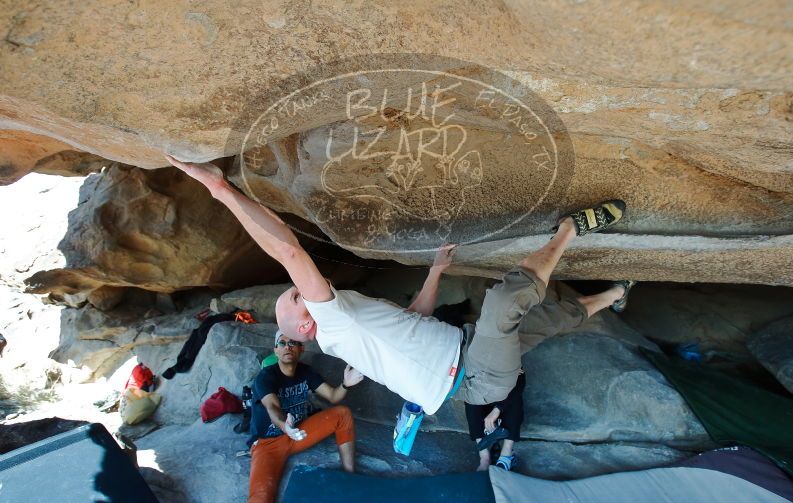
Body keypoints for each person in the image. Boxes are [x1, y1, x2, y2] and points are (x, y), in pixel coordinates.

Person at [166, 155, 631, 415]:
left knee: (546, 319)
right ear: (306, 324)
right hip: (474, 379)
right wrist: (221, 189)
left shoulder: (349, 317)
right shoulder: (332, 326)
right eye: (295, 296)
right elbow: (289, 251)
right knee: (505, 300)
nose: (298, 288)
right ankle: (569, 230)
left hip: (465, 349)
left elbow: (415, 321)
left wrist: (434, 270)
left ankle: (613, 295)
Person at [465, 280, 636, 471]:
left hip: (502, 368)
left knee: (512, 392)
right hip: (485, 367)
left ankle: (506, 453)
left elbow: (517, 380)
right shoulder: (479, 346)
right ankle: (484, 455)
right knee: (471, 400)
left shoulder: (508, 343)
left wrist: (496, 410)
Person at [244, 330, 364, 503]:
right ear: (276, 350)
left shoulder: (306, 372)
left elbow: (334, 396)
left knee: (342, 414)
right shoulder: (266, 376)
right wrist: (284, 426)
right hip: (269, 443)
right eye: (281, 343)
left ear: (301, 349)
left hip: (299, 433)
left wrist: (345, 384)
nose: (287, 347)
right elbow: (272, 407)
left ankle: (349, 476)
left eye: (292, 343)